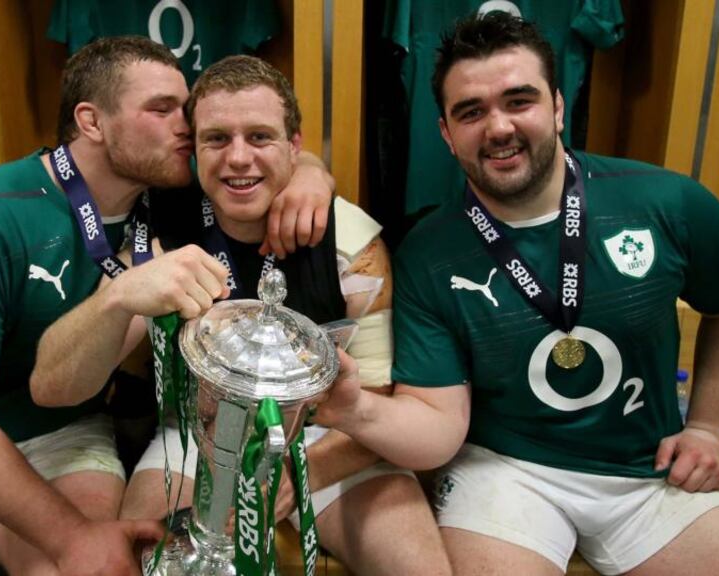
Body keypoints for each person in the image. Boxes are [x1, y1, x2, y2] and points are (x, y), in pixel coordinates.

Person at [0, 36, 331, 576]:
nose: (187, 126)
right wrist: (68, 536)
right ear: (92, 122)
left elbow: (269, 150)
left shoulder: (171, 196)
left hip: (64, 438)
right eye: (161, 110)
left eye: (185, 109)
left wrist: (311, 176)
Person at [314, 12, 719, 576]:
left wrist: (709, 428)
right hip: (504, 472)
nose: (497, 127)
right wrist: (356, 409)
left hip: (647, 471)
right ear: (447, 134)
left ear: (557, 106)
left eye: (518, 100)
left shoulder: (667, 202)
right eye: (471, 112)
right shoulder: (428, 251)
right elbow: (438, 428)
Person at [31, 55, 452, 575]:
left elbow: (379, 402)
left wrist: (293, 479)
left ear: (294, 147)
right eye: (216, 139)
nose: (237, 158)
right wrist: (117, 297)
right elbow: (53, 386)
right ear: (194, 148)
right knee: (138, 564)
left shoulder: (351, 242)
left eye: (260, 137)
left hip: (328, 438)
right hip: (195, 435)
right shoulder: (161, 231)